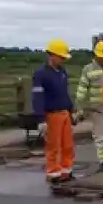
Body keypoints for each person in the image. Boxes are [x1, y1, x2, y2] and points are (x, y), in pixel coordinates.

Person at [32, 39, 76, 184]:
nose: (62, 60)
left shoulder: (62, 72)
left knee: (67, 145)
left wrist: (71, 110)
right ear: (52, 55)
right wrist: (41, 119)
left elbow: (65, 93)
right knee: (53, 145)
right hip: (52, 114)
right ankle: (53, 172)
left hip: (64, 112)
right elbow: (37, 97)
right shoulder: (41, 74)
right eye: (61, 57)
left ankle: (66, 170)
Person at [75, 40, 103, 171]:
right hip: (97, 108)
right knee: (100, 135)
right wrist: (80, 107)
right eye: (102, 58)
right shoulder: (88, 70)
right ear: (96, 56)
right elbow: (82, 89)